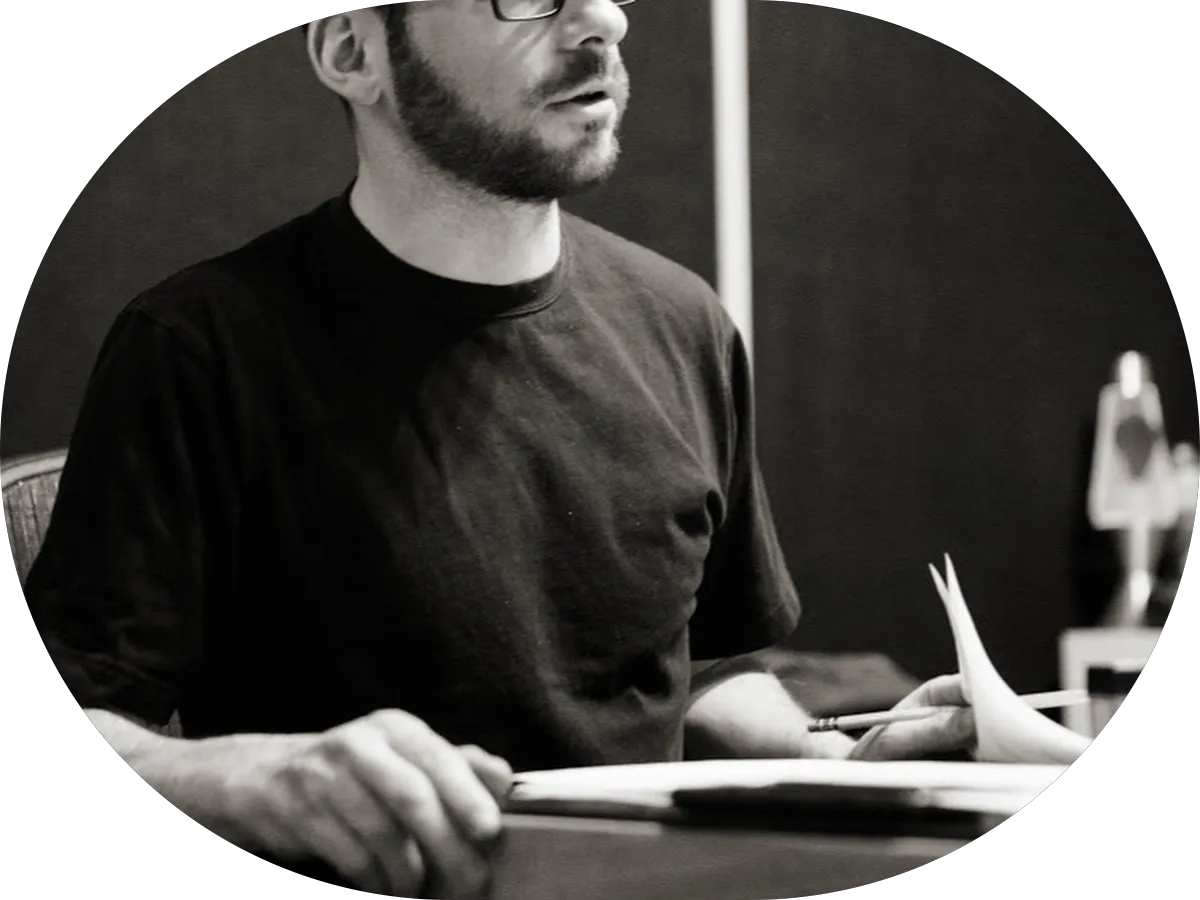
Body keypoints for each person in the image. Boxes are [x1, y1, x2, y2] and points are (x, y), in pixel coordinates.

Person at [25, 2, 977, 897]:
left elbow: (701, 669)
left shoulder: (685, 323)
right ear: (352, 51)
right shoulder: (197, 348)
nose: (603, 20)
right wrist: (245, 776)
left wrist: (832, 758)